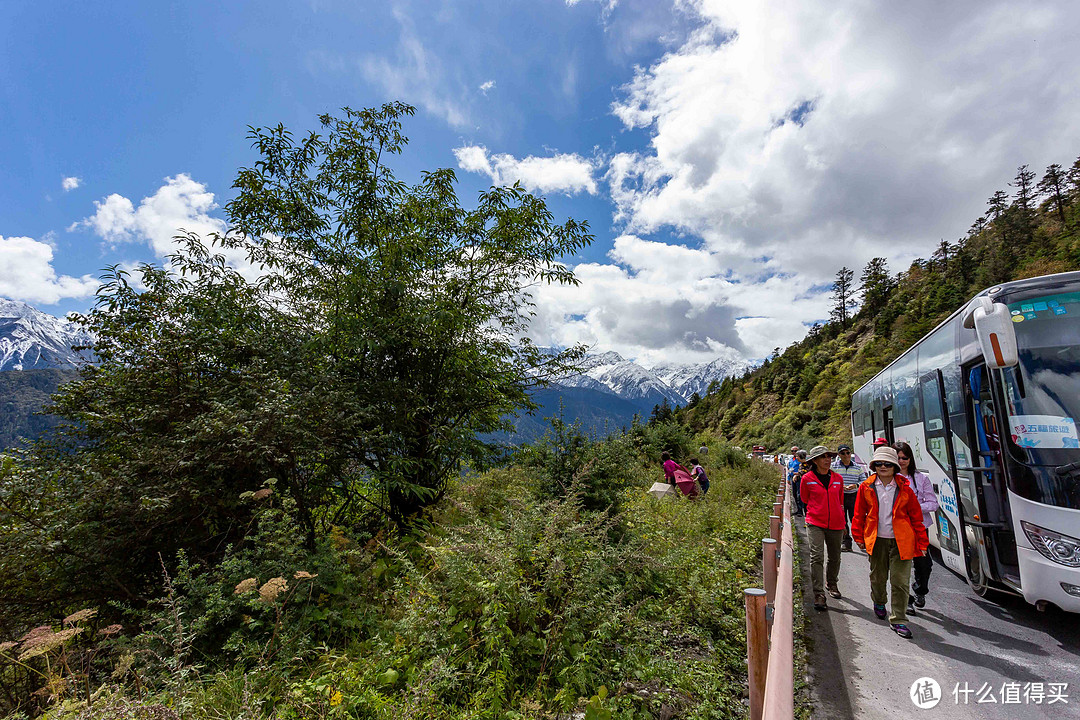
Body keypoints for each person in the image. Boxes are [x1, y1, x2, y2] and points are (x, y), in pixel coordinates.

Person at [851, 446, 928, 639]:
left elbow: (916, 519)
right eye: (878, 463)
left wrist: (922, 544)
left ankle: (899, 619)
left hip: (902, 541)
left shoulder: (905, 489)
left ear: (894, 466)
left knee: (900, 582)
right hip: (877, 540)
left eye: (887, 463)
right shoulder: (866, 487)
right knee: (877, 578)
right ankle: (879, 601)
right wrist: (858, 537)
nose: (883, 466)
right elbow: (859, 515)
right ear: (873, 466)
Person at [800, 446, 846, 611]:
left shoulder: (838, 479)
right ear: (814, 461)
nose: (827, 460)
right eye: (823, 457)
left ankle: (832, 583)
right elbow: (805, 499)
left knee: (835, 557)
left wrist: (843, 522)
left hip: (836, 523)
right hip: (815, 522)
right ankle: (819, 593)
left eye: (829, 457)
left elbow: (840, 501)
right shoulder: (807, 479)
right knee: (816, 556)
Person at [895, 441, 939, 609]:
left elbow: (933, 504)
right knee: (901, 566)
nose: (901, 461)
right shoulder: (889, 479)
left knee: (924, 564)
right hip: (897, 529)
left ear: (910, 459)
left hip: (919, 528)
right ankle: (906, 601)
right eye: (897, 458)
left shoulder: (921, 479)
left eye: (904, 457)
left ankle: (919, 591)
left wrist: (913, 507)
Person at [832, 445, 867, 552]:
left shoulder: (857, 467)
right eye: (843, 453)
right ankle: (846, 543)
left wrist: (856, 485)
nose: (846, 455)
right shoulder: (833, 467)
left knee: (856, 519)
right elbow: (830, 480)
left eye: (848, 453)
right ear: (839, 455)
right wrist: (839, 486)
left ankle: (862, 540)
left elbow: (864, 481)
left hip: (854, 496)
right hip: (840, 496)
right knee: (843, 521)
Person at [786, 450, 805, 516]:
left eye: (795, 451)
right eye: (792, 451)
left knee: (799, 495)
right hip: (793, 478)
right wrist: (789, 478)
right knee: (795, 494)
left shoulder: (806, 464)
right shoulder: (791, 460)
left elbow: (805, 472)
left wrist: (797, 474)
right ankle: (798, 510)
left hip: (800, 479)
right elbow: (789, 469)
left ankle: (801, 511)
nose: (793, 452)